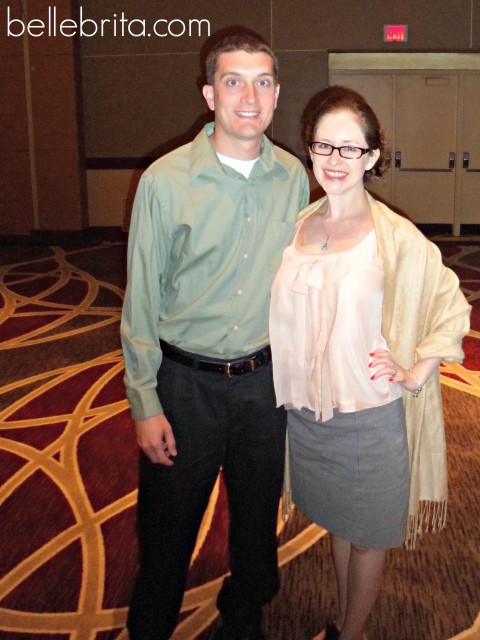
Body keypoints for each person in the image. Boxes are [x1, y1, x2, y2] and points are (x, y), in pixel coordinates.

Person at [120, 29, 310, 640]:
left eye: (261, 82)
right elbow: (142, 300)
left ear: (277, 95)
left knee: (256, 522)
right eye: (233, 81)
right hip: (185, 386)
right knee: (168, 525)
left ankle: (244, 610)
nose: (248, 96)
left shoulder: (294, 178)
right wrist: (145, 403)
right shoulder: (165, 181)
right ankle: (151, 623)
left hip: (263, 385)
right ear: (210, 94)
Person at [269, 86, 471, 640]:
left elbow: (451, 305)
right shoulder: (297, 227)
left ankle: (351, 633)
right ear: (310, 151)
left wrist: (417, 369)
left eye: (349, 148)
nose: (335, 160)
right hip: (307, 418)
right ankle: (342, 617)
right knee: (339, 522)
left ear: (373, 157)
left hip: (368, 416)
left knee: (370, 535)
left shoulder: (395, 237)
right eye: (323, 146)